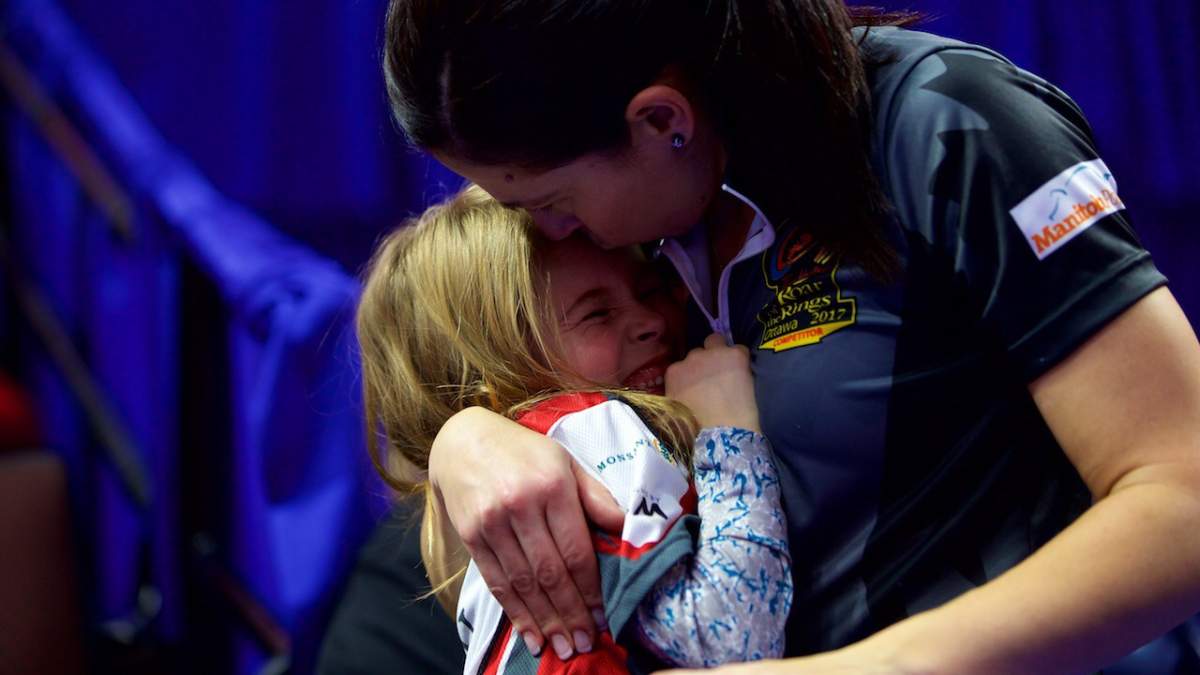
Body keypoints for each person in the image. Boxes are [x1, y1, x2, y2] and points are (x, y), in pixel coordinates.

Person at [379, 1, 1200, 673]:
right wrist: (469, 434)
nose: (556, 233)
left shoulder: (945, 122)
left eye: (549, 201)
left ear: (660, 119)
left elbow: (1181, 498)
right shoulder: (650, 231)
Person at [353, 186, 793, 671]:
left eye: (650, 288)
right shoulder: (585, 436)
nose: (650, 321)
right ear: (498, 367)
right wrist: (728, 436)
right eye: (597, 313)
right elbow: (726, 640)